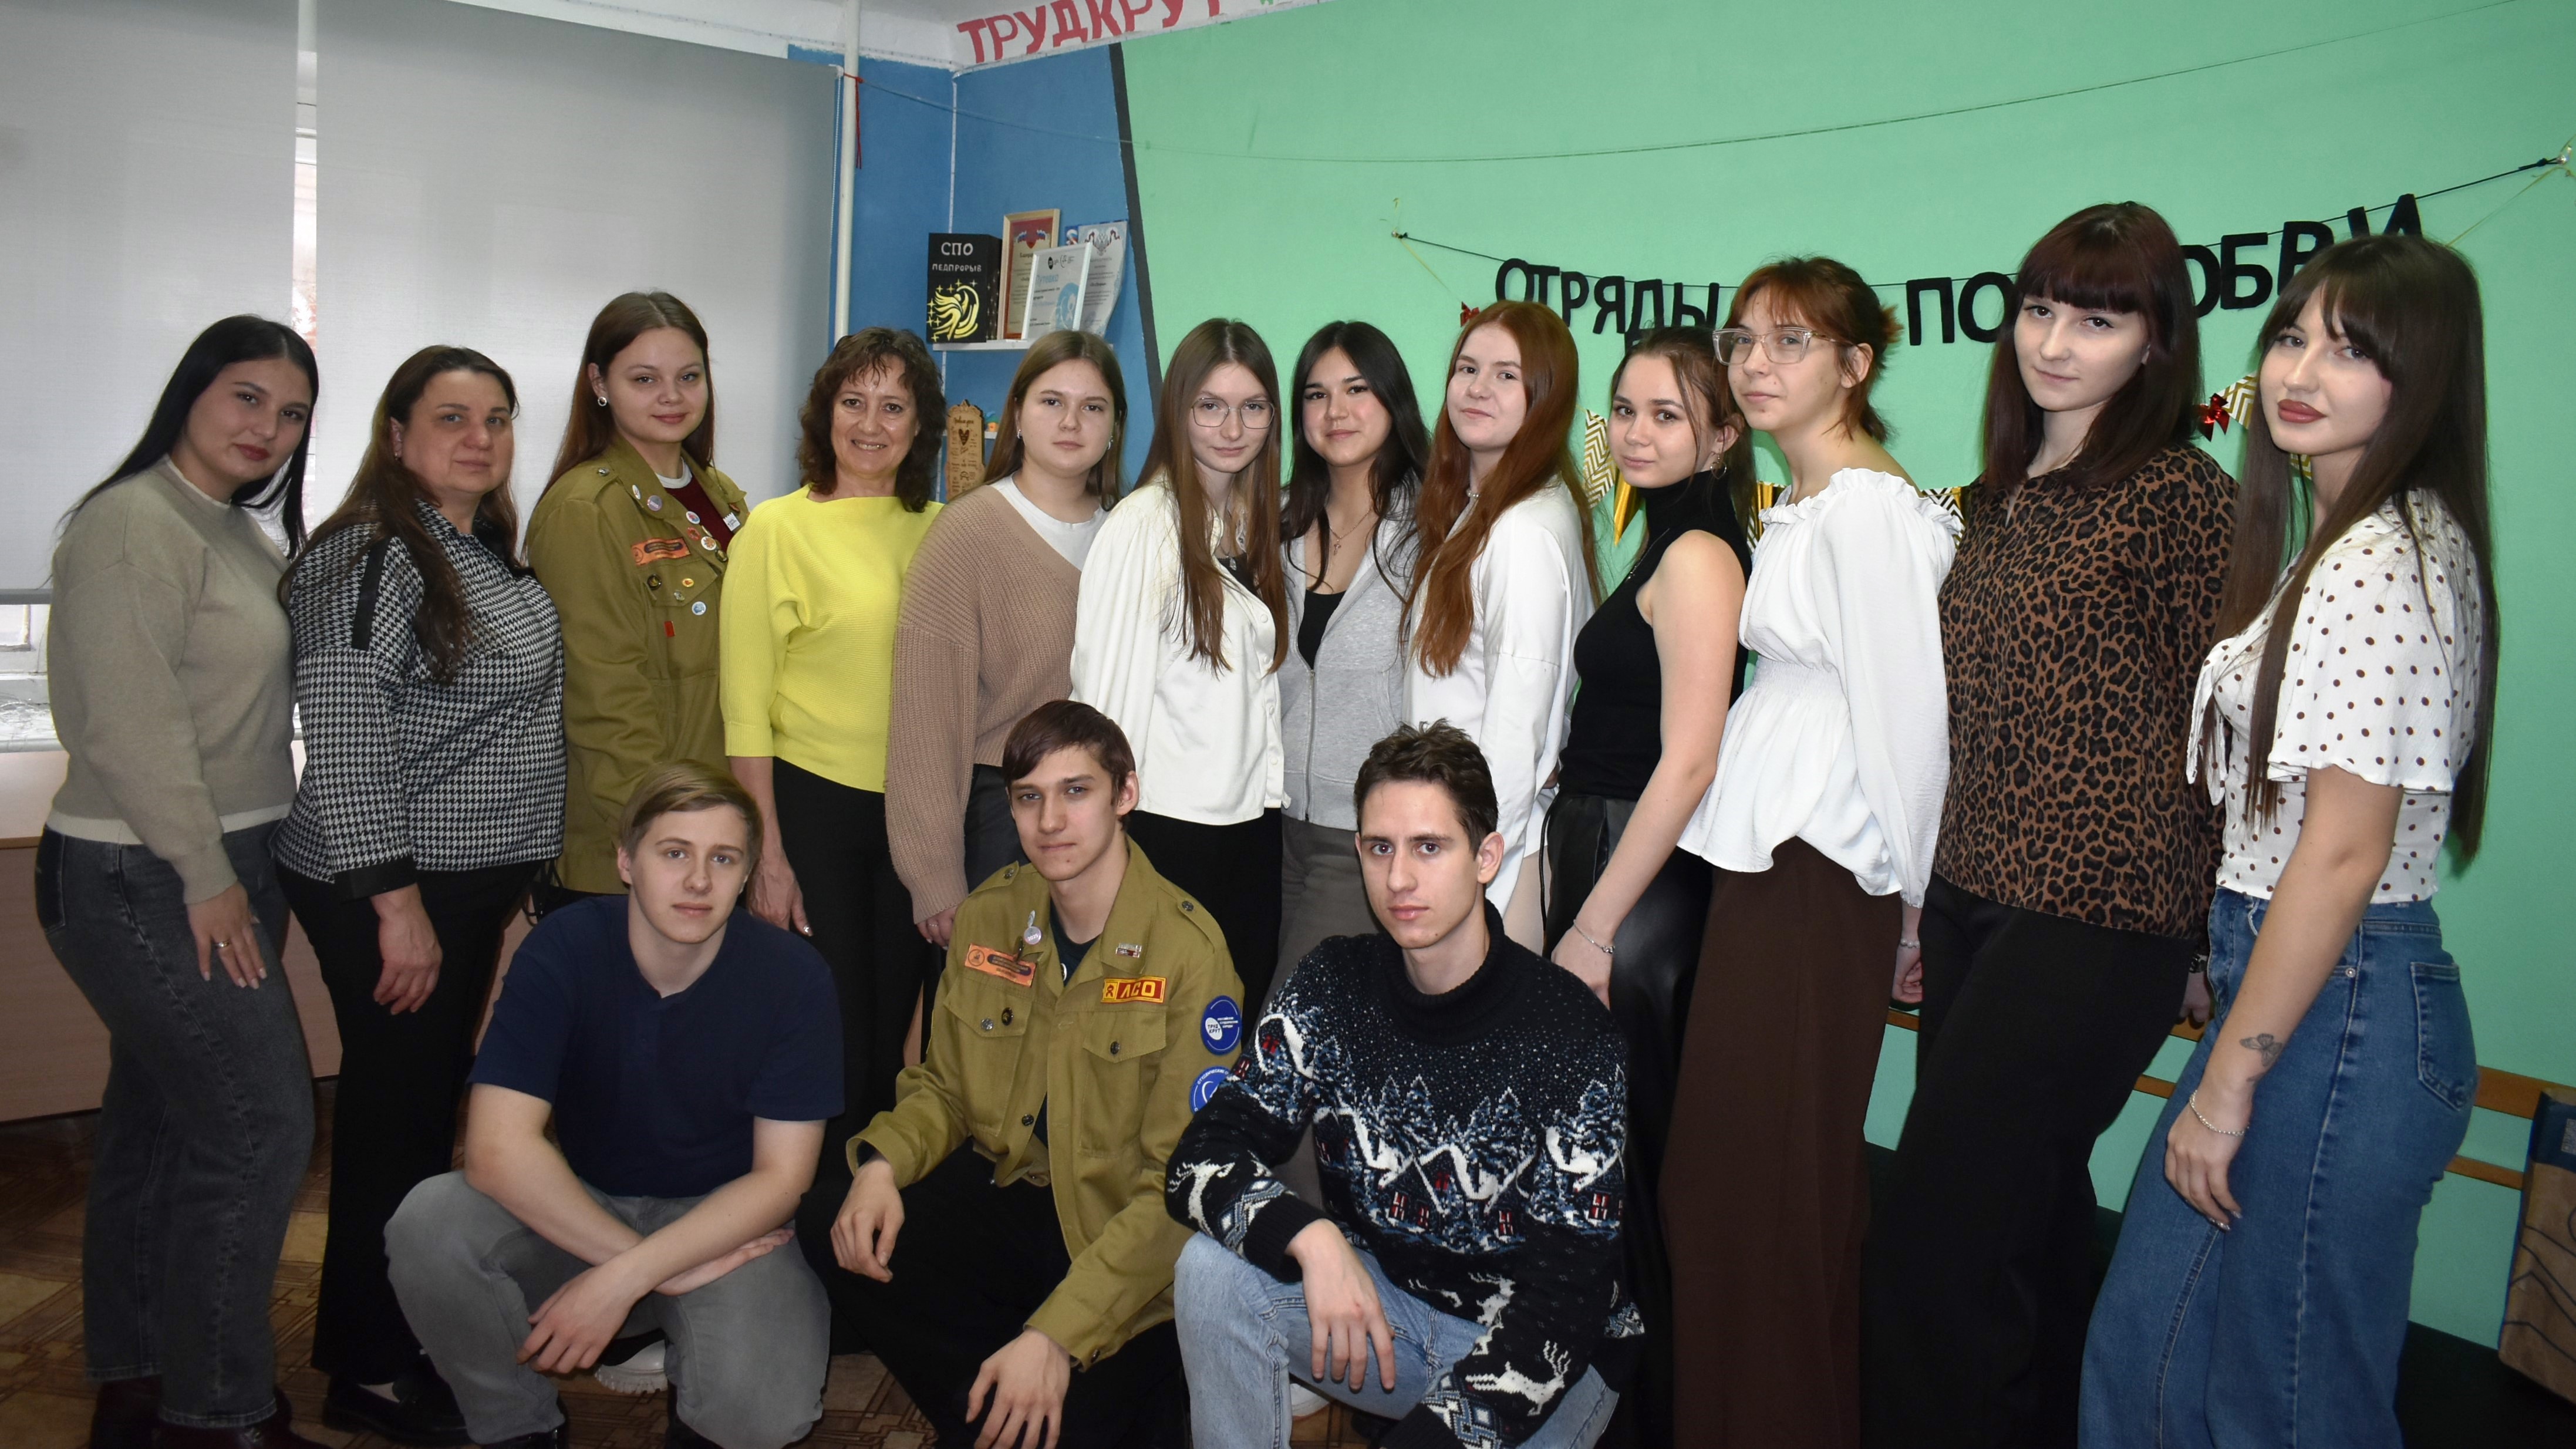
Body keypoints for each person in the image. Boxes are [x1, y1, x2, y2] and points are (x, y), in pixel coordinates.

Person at [2081, 234, 2497, 1449]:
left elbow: (2342, 853)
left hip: (2343, 1008)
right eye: (2290, 335)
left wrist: (2228, 1079)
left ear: (2422, 378)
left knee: (2286, 1403)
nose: (2300, 371)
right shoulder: (2337, 542)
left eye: (2351, 350)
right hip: (2294, 983)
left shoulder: (2382, 559)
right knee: (2147, 1361)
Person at [1860, 203, 2234, 1448]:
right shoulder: (1993, 500)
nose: (2055, 342)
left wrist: (2205, 937)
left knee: (1937, 1239)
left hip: (2103, 913)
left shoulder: (2181, 495)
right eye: (2037, 310)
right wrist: (1917, 902)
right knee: (2024, 1226)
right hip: (1971, 897)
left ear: (2154, 341)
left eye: (2097, 319)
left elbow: (2227, 734)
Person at [1660, 257, 1958, 1449]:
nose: (1755, 363)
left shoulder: (1870, 511)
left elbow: (1909, 727)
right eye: (1742, 340)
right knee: (1745, 1190)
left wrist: (1913, 911)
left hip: (1820, 872)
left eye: (1791, 341)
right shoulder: (1809, 502)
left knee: (1761, 1193)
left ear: (1855, 363)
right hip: (1779, 866)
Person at [1169, 722, 1633, 1449]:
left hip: (1546, 1362)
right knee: (1210, 1272)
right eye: (1380, 847)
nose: (1398, 879)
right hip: (1393, 1314)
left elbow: (1562, 1307)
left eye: (1429, 847)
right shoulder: (1333, 983)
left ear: (1486, 857)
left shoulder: (1571, 1035)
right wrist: (1312, 1237)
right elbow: (1197, 1159)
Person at [41, 316, 326, 1449]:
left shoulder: (230, 530)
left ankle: (140, 1374)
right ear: (192, 391)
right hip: (149, 869)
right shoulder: (131, 524)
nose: (269, 427)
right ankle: (217, 1411)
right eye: (247, 396)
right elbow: (131, 723)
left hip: (221, 858)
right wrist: (207, 875)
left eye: (292, 412)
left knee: (160, 1123)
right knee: (262, 1123)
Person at [814, 701, 1240, 1449]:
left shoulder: (1189, 954)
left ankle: (1036, 1385)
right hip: (1014, 1199)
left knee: (1088, 1420)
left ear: (1125, 794)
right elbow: (943, 1089)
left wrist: (1055, 1334)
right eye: (1027, 796)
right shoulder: (989, 915)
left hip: (1119, 1239)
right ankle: (1001, 1401)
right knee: (834, 1212)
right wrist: (881, 1167)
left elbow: (1176, 1190)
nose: (1049, 820)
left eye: (1075, 791)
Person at [274, 345, 564, 1447]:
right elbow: (345, 732)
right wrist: (396, 906)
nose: (480, 439)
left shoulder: (473, 548)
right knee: (395, 1124)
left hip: (467, 883)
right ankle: (369, 1368)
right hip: (395, 885)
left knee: (420, 1110)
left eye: (497, 418)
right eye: (451, 418)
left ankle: (402, 1333)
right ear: (396, 436)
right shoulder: (370, 553)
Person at [385, 766, 840, 1449]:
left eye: (723, 859)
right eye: (674, 852)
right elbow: (496, 1148)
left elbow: (781, 1178)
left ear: (748, 874)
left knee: (760, 1414)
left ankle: (696, 1386)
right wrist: (656, 1267)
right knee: (430, 1223)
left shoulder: (793, 976)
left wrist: (631, 1274)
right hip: (583, 1201)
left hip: (725, 1226)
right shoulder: (563, 947)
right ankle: (518, 1426)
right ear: (626, 861)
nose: (698, 880)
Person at [1540, 326, 1751, 1448]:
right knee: (1600, 1175)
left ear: (1720, 435)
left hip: (1639, 887)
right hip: (1610, 860)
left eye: (1666, 414)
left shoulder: (1699, 555)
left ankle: (1639, 1424)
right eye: (1624, 409)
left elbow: (1689, 760)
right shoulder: (1660, 542)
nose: (1634, 431)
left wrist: (1592, 926)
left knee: (1625, 1180)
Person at [722, 327, 943, 1156]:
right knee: (831, 1029)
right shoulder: (774, 530)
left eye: (893, 406)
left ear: (920, 425)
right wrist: (767, 855)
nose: (871, 424)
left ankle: (865, 1200)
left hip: (918, 813)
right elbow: (744, 710)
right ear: (824, 414)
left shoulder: (945, 530)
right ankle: (806, 1203)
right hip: (814, 808)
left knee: (891, 1035)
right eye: (853, 402)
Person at [1072, 317, 1292, 1007]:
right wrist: (1102, 853)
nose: (1232, 428)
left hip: (1248, 828)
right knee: (1155, 1041)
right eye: (1210, 406)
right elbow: (1104, 709)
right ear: (1177, 410)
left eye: (1252, 407)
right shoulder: (1143, 527)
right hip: (1166, 836)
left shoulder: (1246, 525)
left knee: (1226, 1034)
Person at [886, 329, 1127, 948]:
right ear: (1017, 414)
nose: (1071, 421)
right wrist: (933, 875)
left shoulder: (1130, 538)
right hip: (1003, 819)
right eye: (1051, 401)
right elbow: (924, 723)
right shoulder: (966, 534)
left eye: (1092, 406)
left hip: (1108, 821)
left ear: (1113, 427)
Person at [527, 291, 748, 914]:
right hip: (636, 848)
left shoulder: (721, 495)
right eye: (644, 379)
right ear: (599, 383)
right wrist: (666, 841)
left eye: (689, 377)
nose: (671, 397)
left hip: (719, 824)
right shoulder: (585, 510)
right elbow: (605, 699)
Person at [1403, 299, 1598, 949]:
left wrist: (1469, 870)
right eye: (1467, 369)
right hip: (1461, 846)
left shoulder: (1522, 530)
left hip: (1489, 868)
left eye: (1506, 375)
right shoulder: (1489, 509)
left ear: (1547, 396)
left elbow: (1517, 734)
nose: (1477, 388)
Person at [1276, 319, 1426, 971]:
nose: (1335, 411)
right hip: (1267, 820)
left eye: (1357, 389)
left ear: (1393, 401)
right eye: (1316, 394)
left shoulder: (1435, 528)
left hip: (1362, 832)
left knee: (1294, 1015)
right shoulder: (1274, 521)